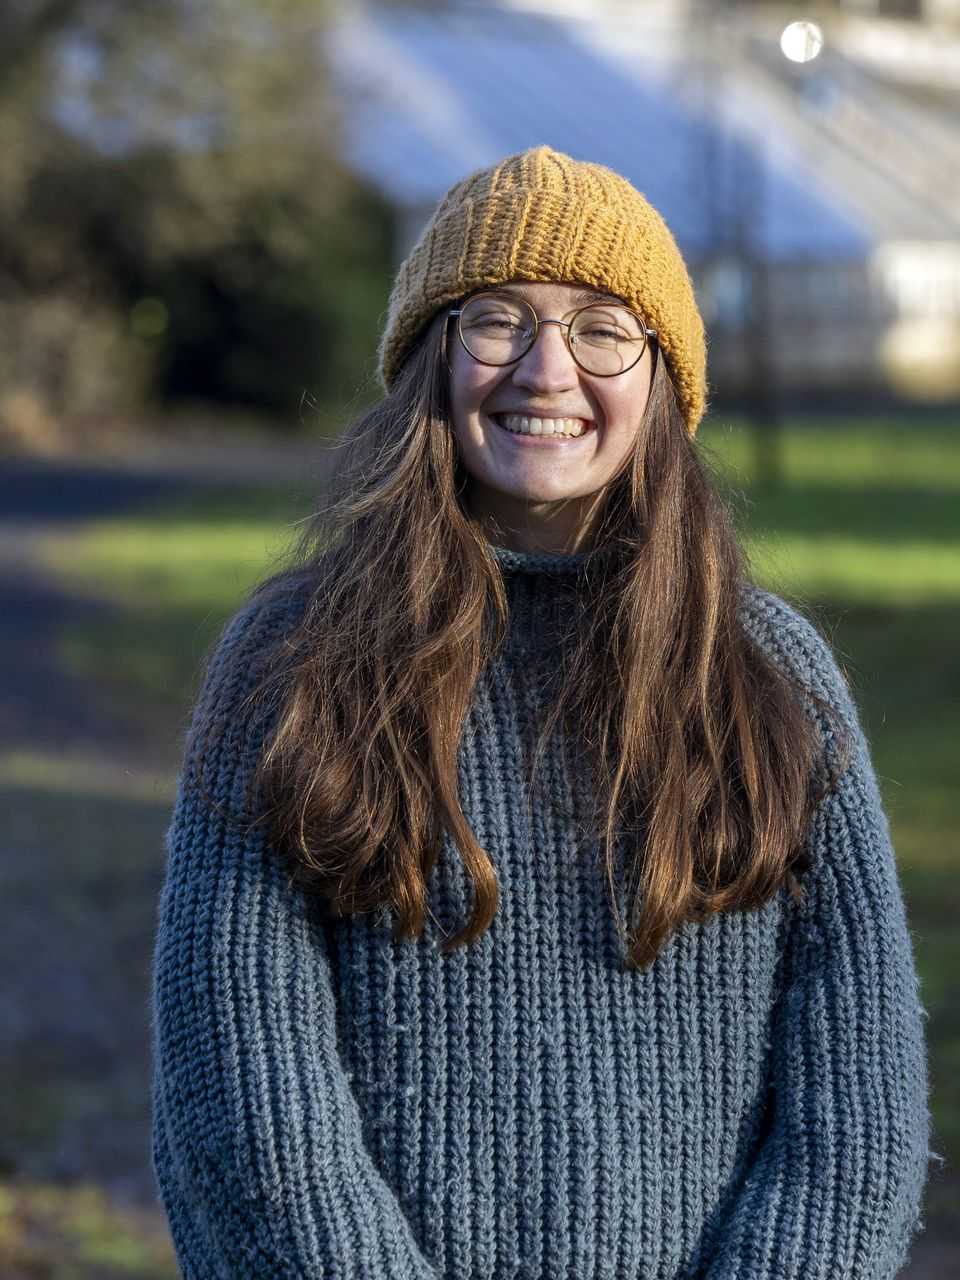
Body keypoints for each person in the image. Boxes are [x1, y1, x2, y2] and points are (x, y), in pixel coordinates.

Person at [150, 146, 933, 1279]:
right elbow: (242, 1084)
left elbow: (857, 1113)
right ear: (430, 357)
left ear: (664, 378)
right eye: (498, 319)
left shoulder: (768, 675)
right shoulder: (292, 661)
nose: (547, 370)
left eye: (604, 327)